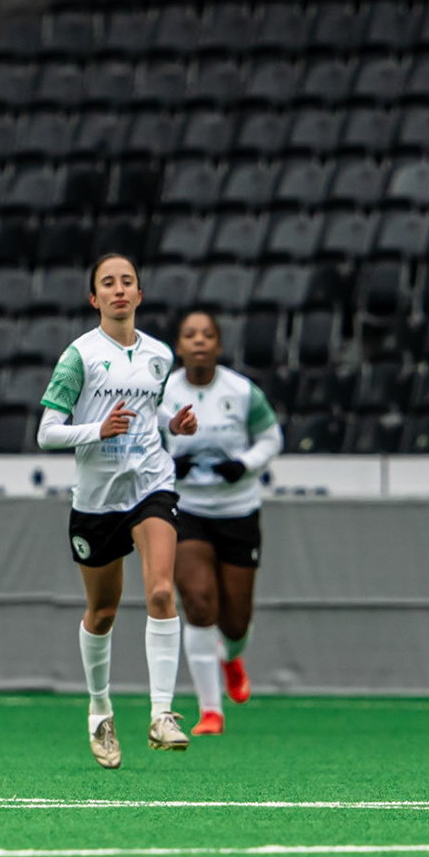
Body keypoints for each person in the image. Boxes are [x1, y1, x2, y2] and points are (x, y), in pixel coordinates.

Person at [37, 253, 197, 769]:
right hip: (96, 501)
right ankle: (100, 709)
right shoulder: (79, 357)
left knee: (160, 590)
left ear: (140, 294)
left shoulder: (159, 355)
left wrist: (178, 423)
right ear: (95, 298)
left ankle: (162, 714)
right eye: (109, 283)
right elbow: (47, 432)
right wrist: (97, 431)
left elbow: (154, 411)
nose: (119, 290)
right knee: (102, 613)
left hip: (150, 486)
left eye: (128, 281)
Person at [161, 309, 283, 734]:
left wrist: (245, 465)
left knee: (234, 622)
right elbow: (143, 444)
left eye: (207, 335)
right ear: (179, 346)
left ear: (217, 345)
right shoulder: (164, 393)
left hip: (237, 512)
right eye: (190, 334)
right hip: (187, 510)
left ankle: (231, 657)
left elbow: (272, 437)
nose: (199, 341)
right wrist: (168, 464)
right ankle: (210, 710)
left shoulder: (242, 391)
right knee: (197, 603)